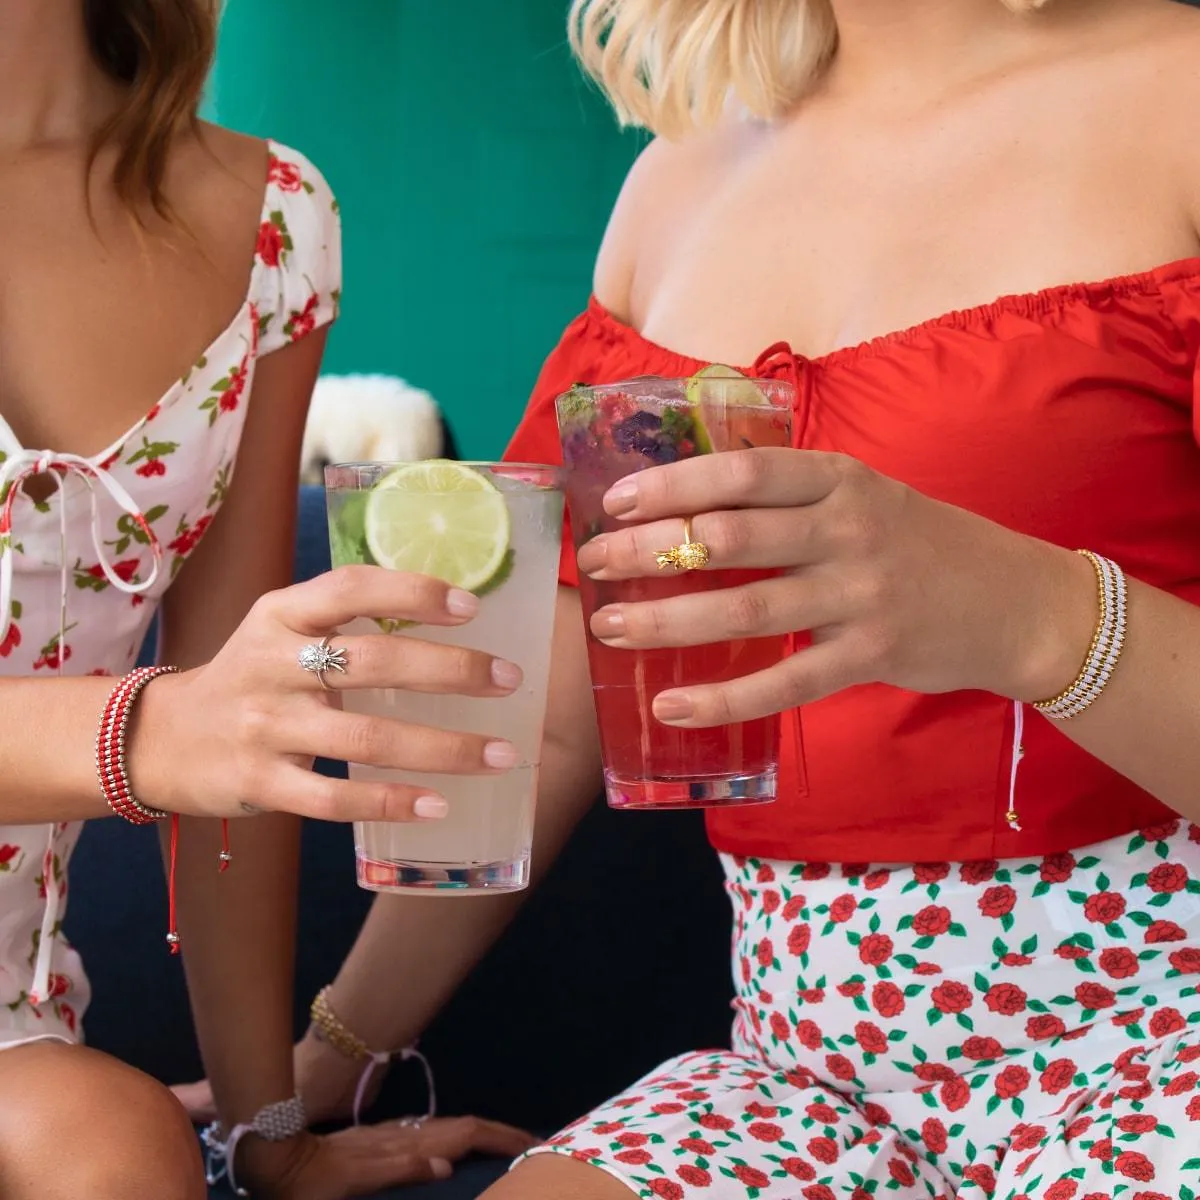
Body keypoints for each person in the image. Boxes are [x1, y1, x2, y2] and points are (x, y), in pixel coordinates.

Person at [190, 0, 1200, 1196]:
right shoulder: (678, 180)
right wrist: (329, 1058)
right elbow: (558, 713)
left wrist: (1034, 615)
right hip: (802, 1076)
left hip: (1157, 1038)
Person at [0, 2, 533, 1196]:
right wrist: (145, 732)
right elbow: (191, 729)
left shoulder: (267, 224)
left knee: (125, 1151)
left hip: (10, 1033)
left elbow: (247, 733)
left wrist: (268, 1130)